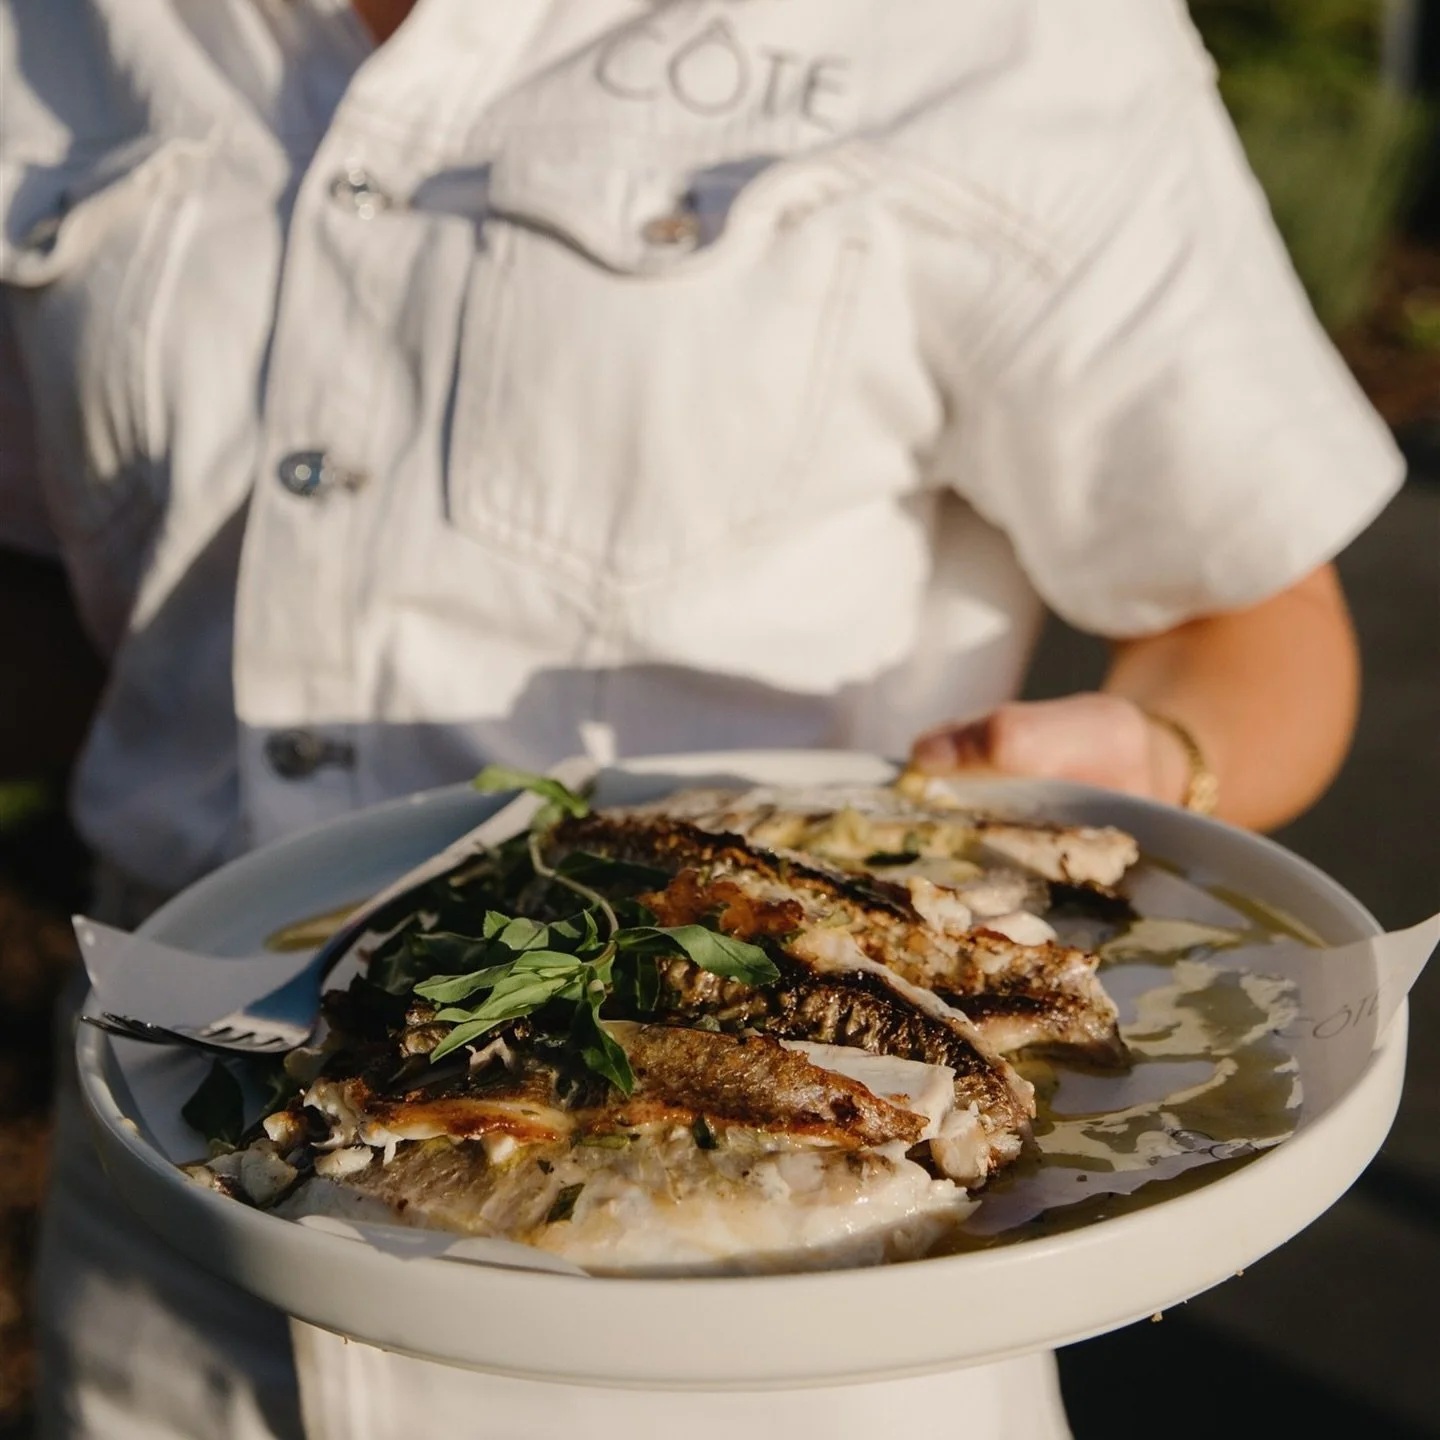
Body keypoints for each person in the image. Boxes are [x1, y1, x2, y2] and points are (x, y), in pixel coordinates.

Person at [0, 1, 1404, 1436]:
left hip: (791, 1293)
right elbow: (71, 603)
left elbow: (1254, 623)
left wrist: (1154, 762)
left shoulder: (1012, 30)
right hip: (175, 1248)